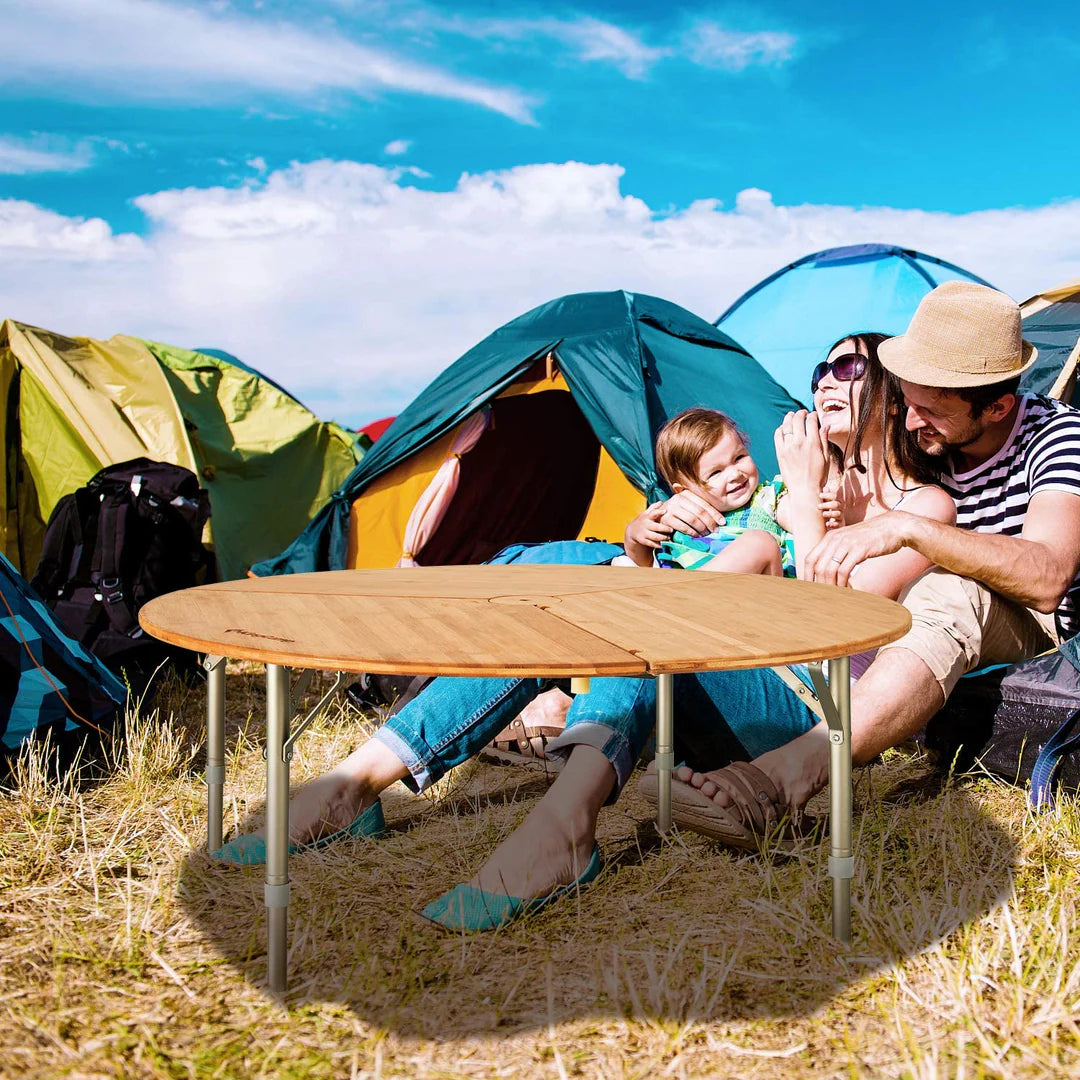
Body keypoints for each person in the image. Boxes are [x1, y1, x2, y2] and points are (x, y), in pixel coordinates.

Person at [212, 332, 954, 930]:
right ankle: (360, 783)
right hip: (716, 674)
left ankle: (560, 825)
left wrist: (798, 504)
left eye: (851, 366)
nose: (827, 377)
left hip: (790, 710)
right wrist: (643, 538)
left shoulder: (925, 509)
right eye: (822, 364)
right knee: (572, 575)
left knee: (621, 609)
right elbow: (718, 569)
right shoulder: (770, 489)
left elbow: (829, 618)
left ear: (892, 399)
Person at [675, 280, 1080, 825]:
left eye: (930, 410)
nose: (912, 422)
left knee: (947, 586)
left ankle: (793, 772)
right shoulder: (930, 443)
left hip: (1038, 626)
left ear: (998, 406)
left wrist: (911, 530)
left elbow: (1048, 578)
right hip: (903, 637)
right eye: (907, 403)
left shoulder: (1057, 437)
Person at [623, 407, 798, 577]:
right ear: (684, 491)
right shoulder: (678, 518)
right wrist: (634, 536)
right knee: (623, 563)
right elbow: (643, 562)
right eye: (716, 472)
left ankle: (682, 593)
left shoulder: (767, 499)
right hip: (690, 594)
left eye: (739, 458)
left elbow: (802, 517)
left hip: (754, 596)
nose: (735, 474)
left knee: (760, 544)